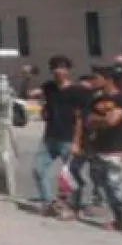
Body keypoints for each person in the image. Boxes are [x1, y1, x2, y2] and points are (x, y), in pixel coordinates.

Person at [73, 65, 122, 235]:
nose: (93, 81)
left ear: (107, 79)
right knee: (106, 187)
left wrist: (97, 120)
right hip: (97, 147)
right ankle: (120, 221)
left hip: (114, 148)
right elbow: (86, 120)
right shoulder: (95, 100)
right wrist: (100, 119)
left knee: (118, 186)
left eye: (96, 78)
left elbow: (112, 121)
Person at [31, 55, 87, 214]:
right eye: (55, 68)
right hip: (50, 136)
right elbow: (40, 101)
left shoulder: (77, 91)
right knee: (38, 169)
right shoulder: (48, 88)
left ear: (68, 71)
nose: (59, 71)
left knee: (69, 175)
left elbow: (79, 118)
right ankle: (48, 201)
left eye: (62, 68)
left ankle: (74, 205)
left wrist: (77, 141)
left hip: (68, 138)